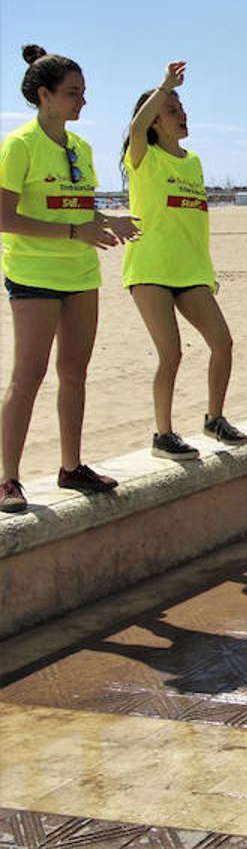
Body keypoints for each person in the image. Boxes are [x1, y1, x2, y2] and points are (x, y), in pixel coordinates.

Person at [1, 45, 139, 513]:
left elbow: (77, 205)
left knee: (74, 372)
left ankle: (71, 466)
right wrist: (76, 230)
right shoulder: (19, 145)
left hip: (81, 272)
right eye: (73, 93)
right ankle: (8, 479)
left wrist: (108, 218)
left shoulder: (79, 147)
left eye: (84, 92)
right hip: (34, 273)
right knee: (28, 377)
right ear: (45, 95)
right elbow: (4, 216)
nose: (83, 102)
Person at [122, 61, 246, 460]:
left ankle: (215, 418)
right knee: (171, 352)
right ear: (155, 121)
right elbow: (136, 129)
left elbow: (196, 224)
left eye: (181, 108)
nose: (182, 115)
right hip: (150, 270)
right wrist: (164, 86)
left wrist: (207, 272)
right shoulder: (143, 158)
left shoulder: (192, 162)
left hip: (191, 271)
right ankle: (163, 435)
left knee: (223, 343)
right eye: (172, 111)